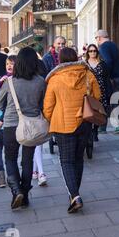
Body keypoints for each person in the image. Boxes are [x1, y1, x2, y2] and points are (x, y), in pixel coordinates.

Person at [43, 47, 101, 213]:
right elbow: (97, 97)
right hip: (85, 122)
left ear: (59, 60)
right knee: (78, 159)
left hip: (63, 125)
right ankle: (74, 193)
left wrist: (49, 119)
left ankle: (74, 195)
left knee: (66, 161)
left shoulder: (55, 79)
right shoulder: (88, 74)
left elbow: (48, 106)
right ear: (75, 58)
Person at [0, 47, 46, 210]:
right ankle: (24, 194)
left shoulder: (9, 82)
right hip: (31, 125)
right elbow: (43, 103)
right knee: (27, 160)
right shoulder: (40, 81)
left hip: (11, 125)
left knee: (10, 158)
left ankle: (16, 190)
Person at [95, 29, 119, 134]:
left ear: (99, 38)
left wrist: (104, 75)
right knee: (116, 101)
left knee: (105, 102)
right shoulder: (114, 45)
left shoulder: (103, 47)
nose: (96, 40)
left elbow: (108, 61)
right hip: (118, 77)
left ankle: (102, 127)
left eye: (96, 38)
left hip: (110, 79)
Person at [85, 44, 113, 141]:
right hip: (89, 92)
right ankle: (89, 131)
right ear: (87, 53)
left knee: (98, 112)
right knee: (89, 111)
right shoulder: (84, 64)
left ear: (97, 52)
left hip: (101, 91)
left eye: (94, 51)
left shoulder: (102, 64)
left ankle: (95, 131)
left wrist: (109, 93)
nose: (92, 53)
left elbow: (106, 79)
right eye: (90, 51)